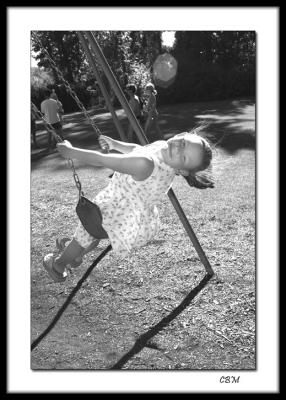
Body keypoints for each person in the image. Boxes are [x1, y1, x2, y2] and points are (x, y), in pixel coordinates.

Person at [43, 129, 214, 282]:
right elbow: (137, 149)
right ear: (180, 134)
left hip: (116, 210)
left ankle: (58, 266)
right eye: (183, 143)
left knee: (85, 233)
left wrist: (71, 151)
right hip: (129, 214)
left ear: (182, 171)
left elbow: (102, 160)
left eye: (183, 156)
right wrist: (115, 144)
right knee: (92, 234)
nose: (177, 148)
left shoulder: (145, 164)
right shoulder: (162, 147)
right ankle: (77, 256)